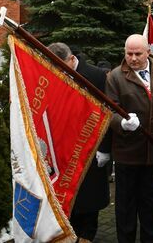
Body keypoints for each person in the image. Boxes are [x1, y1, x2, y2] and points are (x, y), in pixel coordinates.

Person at [105, 34, 153, 243]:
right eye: (129, 53)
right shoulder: (115, 77)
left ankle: (150, 239)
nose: (133, 58)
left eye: (138, 53)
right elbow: (109, 110)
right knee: (126, 204)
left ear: (148, 52)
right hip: (127, 152)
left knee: (149, 201)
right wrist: (121, 123)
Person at [47, 42, 111, 243]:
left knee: (90, 195)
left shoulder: (96, 76)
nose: (58, 70)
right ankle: (71, 232)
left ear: (71, 58)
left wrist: (105, 148)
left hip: (91, 144)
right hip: (65, 145)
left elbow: (107, 112)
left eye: (62, 65)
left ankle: (88, 235)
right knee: (69, 193)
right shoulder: (54, 73)